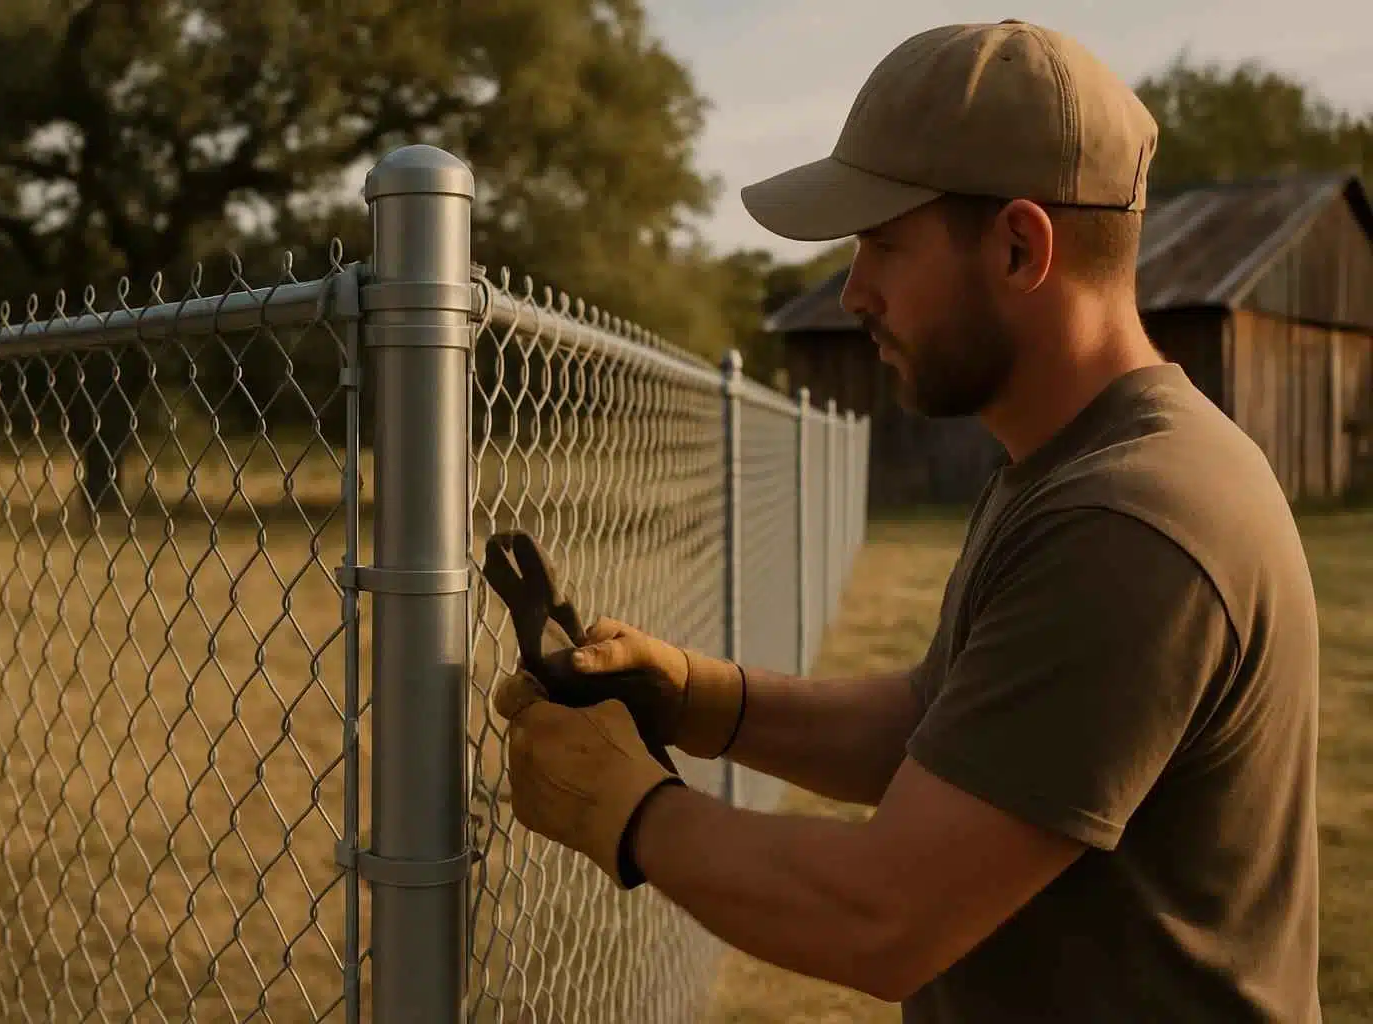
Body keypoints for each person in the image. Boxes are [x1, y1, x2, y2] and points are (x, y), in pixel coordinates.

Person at [491, 19, 1321, 1023]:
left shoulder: (1131, 517)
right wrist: (699, 698)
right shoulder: (1071, 466)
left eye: (884, 243)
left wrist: (629, 808)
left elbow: (885, 915)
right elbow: (945, 723)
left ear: (1019, 247)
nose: (853, 292)